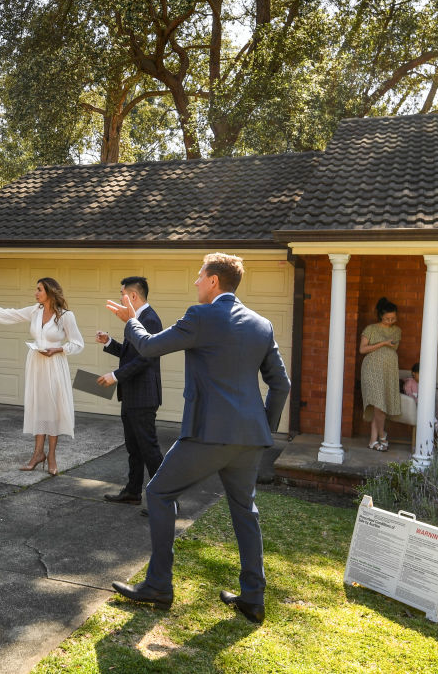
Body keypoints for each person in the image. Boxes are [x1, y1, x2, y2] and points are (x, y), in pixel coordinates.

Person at [106, 253, 290, 625]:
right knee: (245, 513)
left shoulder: (201, 316)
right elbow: (280, 384)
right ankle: (253, 597)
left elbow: (150, 346)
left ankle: (158, 586)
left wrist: (132, 321)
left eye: (198, 276)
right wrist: (262, 429)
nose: (194, 283)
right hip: (249, 438)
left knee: (158, 493)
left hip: (208, 434)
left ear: (213, 282)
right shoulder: (261, 324)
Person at [0, 277, 85, 475]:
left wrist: (58, 349)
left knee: (53, 409)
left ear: (49, 292)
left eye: (39, 290)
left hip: (54, 365)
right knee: (38, 408)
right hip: (36, 363)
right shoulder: (36, 310)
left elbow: (78, 344)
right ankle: (37, 454)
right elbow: (11, 314)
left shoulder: (66, 316)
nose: (36, 293)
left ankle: (51, 456)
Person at [96, 276, 163, 506]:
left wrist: (114, 376)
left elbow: (146, 358)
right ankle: (133, 492)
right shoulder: (137, 318)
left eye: (121, 294)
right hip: (132, 395)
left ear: (133, 296)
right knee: (134, 448)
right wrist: (109, 342)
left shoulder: (150, 319)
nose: (120, 299)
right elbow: (131, 354)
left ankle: (164, 499)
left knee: (149, 449)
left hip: (143, 396)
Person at [360, 297, 401, 451]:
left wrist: (386, 344)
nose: (390, 321)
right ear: (380, 316)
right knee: (379, 405)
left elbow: (393, 348)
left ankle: (373, 441)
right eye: (387, 318)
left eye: (393, 318)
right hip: (371, 370)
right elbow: (362, 349)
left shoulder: (397, 331)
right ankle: (382, 435)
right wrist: (383, 343)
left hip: (388, 371)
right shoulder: (370, 329)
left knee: (380, 405)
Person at [402, 362, 438, 430]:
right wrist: (419, 401)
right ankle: (436, 424)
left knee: (437, 405)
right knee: (429, 409)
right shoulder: (409, 382)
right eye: (420, 374)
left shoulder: (423, 382)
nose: (422, 376)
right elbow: (409, 394)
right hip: (416, 405)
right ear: (414, 373)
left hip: (425, 402)